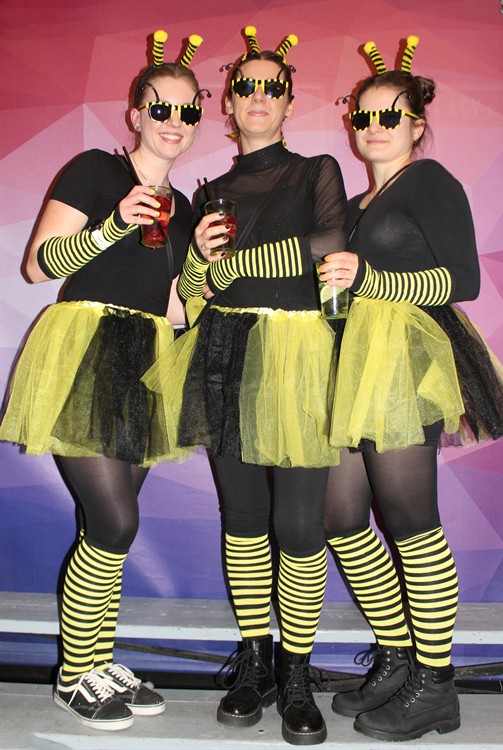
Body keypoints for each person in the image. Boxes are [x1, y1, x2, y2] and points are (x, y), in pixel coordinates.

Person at [143, 25, 346, 746]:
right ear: (227, 104)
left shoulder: (317, 168)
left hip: (297, 354)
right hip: (224, 352)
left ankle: (297, 672)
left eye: (272, 86)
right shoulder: (210, 191)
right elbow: (195, 293)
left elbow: (331, 243)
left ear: (288, 101)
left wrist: (239, 263)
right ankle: (255, 662)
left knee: (300, 526)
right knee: (244, 519)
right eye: (245, 86)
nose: (257, 95)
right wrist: (202, 262)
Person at [0, 29, 206, 731]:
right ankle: (73, 676)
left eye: (188, 110)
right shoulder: (95, 169)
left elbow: (174, 305)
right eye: (161, 107)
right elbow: (38, 266)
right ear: (135, 113)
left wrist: (210, 273)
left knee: (105, 527)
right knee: (116, 522)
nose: (174, 121)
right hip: (85, 347)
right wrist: (113, 224)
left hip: (147, 358)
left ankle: (96, 660)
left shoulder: (185, 208)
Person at [319, 36, 503, 742]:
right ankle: (399, 658)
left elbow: (463, 281)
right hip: (354, 366)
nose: (374, 128)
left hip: (404, 360)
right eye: (363, 116)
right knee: (341, 516)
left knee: (411, 521)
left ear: (416, 124)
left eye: (389, 116)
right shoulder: (360, 201)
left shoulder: (430, 182)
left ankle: (436, 685)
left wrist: (368, 278)